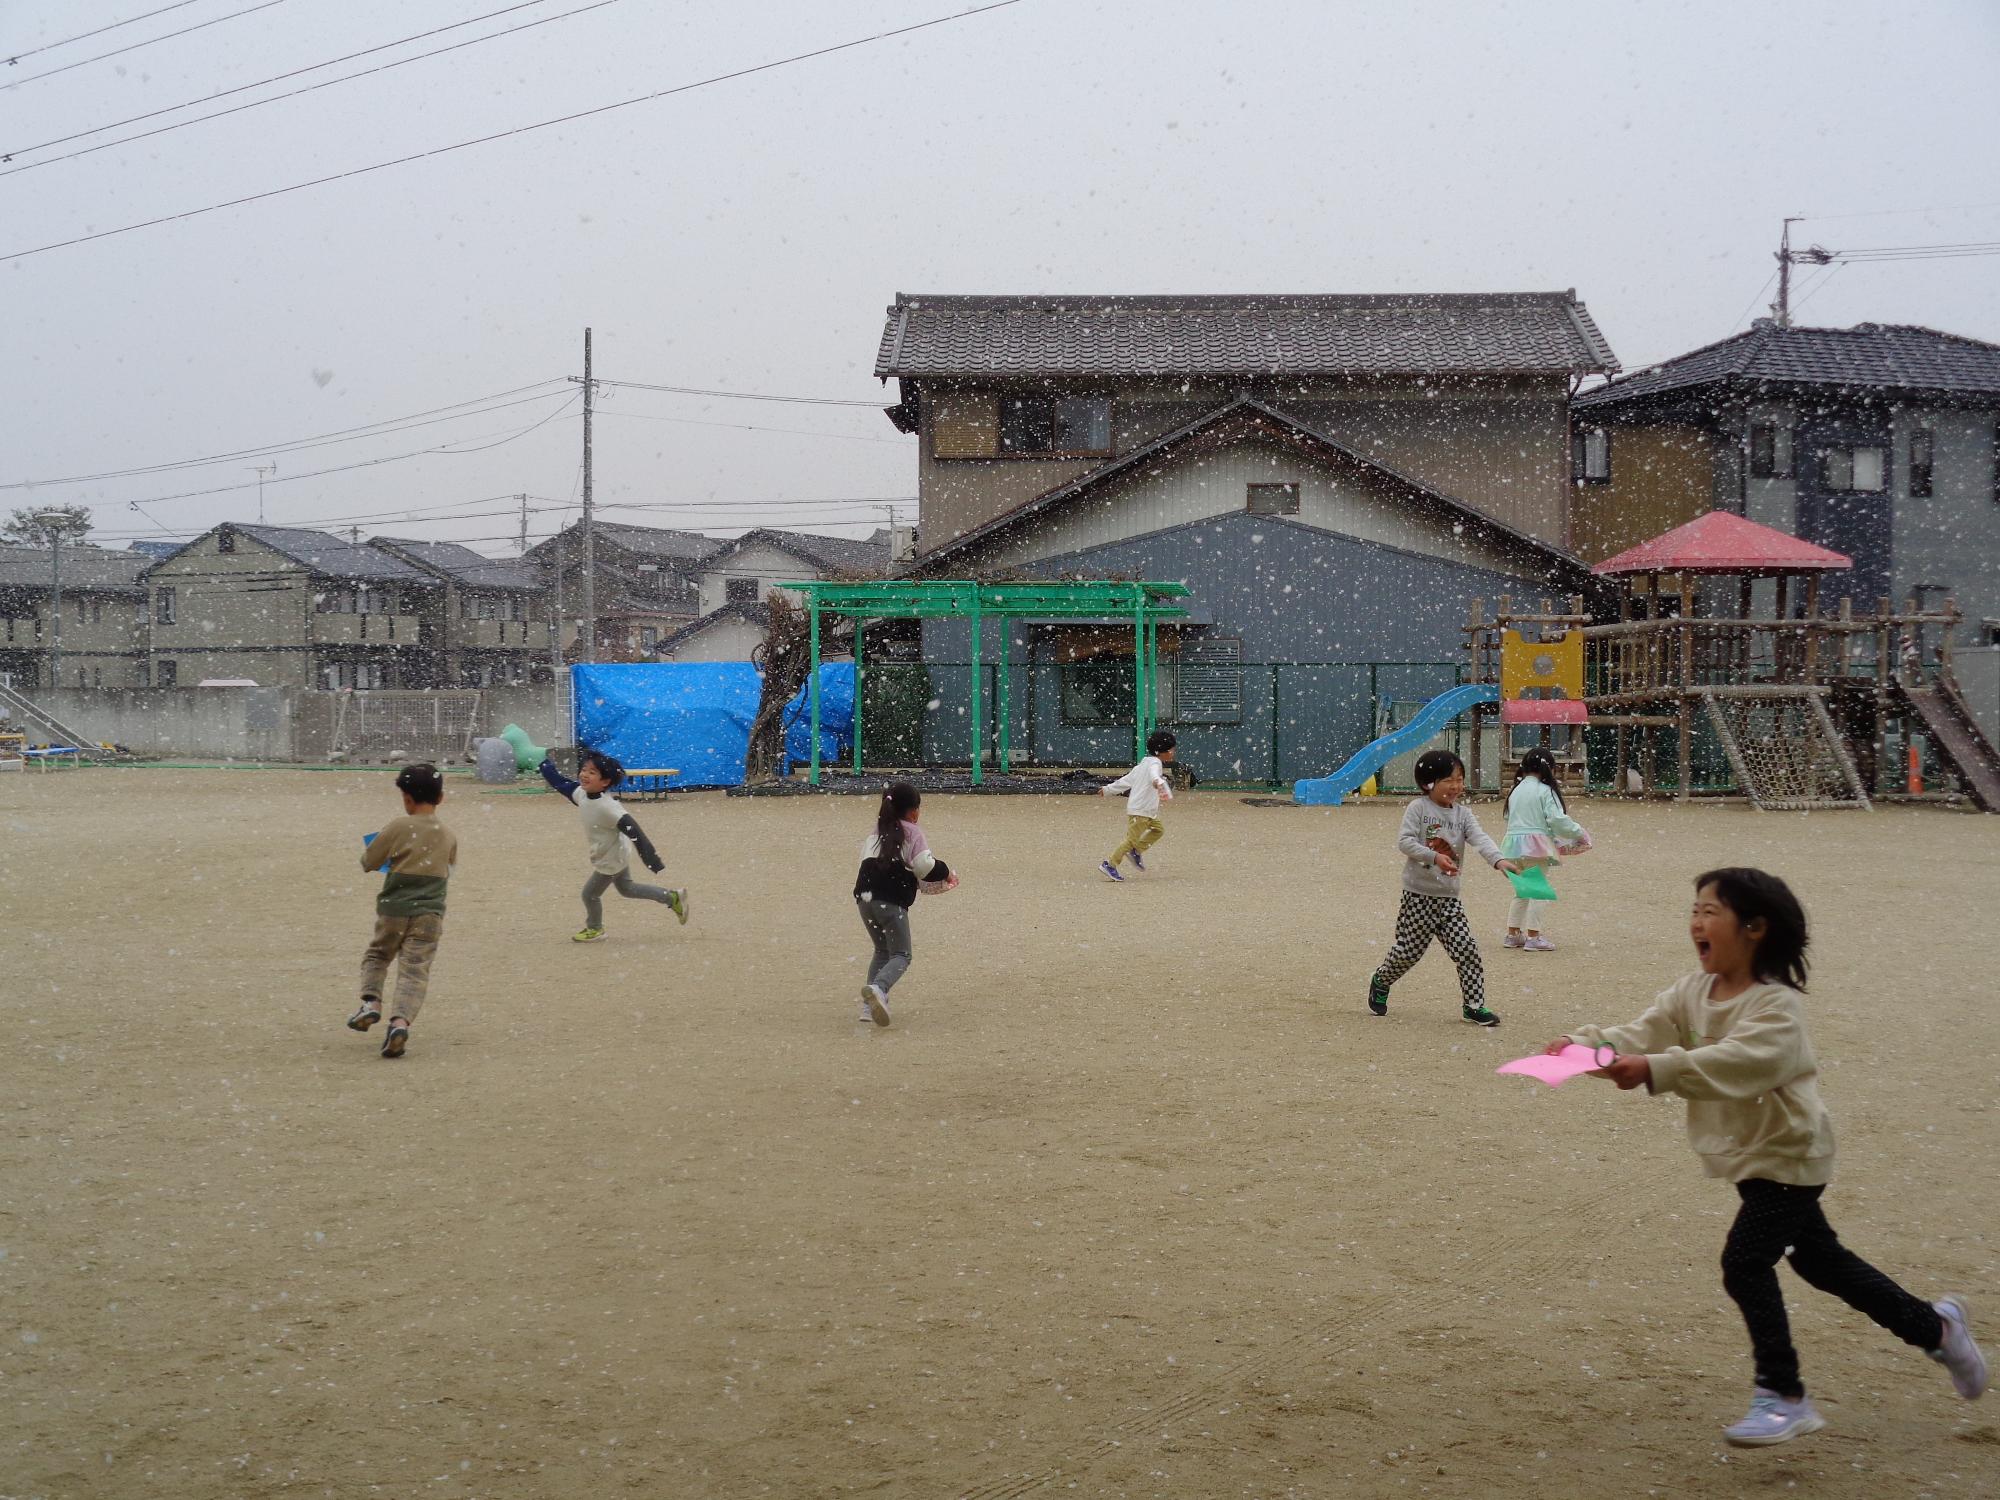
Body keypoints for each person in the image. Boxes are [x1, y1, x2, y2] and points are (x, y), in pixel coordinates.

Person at [1548, 868, 1987, 1446]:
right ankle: (1938, 1328)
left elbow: (1739, 1062)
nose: (1696, 923)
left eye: (1710, 912)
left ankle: (1783, 1393)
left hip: (1790, 1155)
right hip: (1751, 1155)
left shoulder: (1776, 1008)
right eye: (1694, 910)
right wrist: (1588, 1047)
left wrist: (1657, 1069)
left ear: (1755, 928)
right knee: (1819, 1261)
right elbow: (1644, 1030)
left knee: (1745, 1262)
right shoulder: (1691, 992)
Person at [1366, 748, 1518, 1026]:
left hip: (1449, 900)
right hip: (1418, 897)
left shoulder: (1463, 815)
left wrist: (1499, 861)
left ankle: (1474, 1005)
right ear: (1429, 783)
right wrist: (1434, 856)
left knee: (1467, 950)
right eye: (1449, 780)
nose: (1457, 786)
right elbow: (1405, 842)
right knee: (1407, 953)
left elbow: (1481, 839)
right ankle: (1381, 979)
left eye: (1460, 779)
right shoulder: (1418, 809)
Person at [348, 762, 457, 1059]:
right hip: (431, 913)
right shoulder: (448, 834)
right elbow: (449, 869)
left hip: (394, 909)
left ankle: (371, 1004)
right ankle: (400, 1023)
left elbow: (369, 860)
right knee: (414, 970)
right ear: (441, 797)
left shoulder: (398, 826)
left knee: (378, 955)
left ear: (407, 798)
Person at [539, 749, 688, 942]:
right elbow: (561, 783)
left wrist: (652, 860)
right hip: (615, 852)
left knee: (589, 895)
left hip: (610, 858)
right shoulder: (582, 795)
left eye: (592, 772)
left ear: (605, 782)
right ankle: (672, 897)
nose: (584, 775)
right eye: (584, 769)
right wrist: (544, 765)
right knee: (627, 889)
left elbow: (635, 832)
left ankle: (595, 929)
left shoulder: (608, 808)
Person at [852, 781, 955, 1026]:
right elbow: (924, 866)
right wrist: (946, 872)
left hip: (864, 898)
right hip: (891, 900)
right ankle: (879, 989)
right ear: (913, 811)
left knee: (882, 950)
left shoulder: (876, 831)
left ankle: (868, 1007)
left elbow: (865, 864)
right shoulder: (913, 832)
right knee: (902, 954)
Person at [1501, 746, 1591, 951]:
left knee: (1522, 890)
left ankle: (1513, 934)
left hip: (1512, 845)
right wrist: (1578, 832)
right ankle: (1533, 937)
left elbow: (1510, 817)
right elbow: (1557, 820)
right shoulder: (1545, 790)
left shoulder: (1516, 789)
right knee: (1538, 890)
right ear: (1548, 768)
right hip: (1535, 846)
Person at [1098, 729, 1177, 881]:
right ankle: (1110, 864)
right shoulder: (1155, 764)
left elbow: (1126, 781)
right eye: (1171, 750)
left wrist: (1107, 790)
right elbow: (1154, 775)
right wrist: (1158, 781)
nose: (1173, 753)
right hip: (1141, 811)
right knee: (1130, 840)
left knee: (1158, 830)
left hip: (1145, 811)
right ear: (1162, 752)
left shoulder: (1143, 763)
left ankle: (1136, 851)